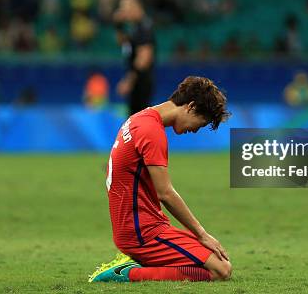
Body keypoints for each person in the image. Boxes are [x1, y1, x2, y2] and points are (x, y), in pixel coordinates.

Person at [89, 76, 232, 282]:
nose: (194, 130)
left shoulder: (140, 118)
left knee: (214, 262)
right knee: (221, 270)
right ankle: (126, 272)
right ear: (190, 107)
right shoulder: (152, 131)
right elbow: (165, 193)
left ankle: (138, 263)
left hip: (142, 226)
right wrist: (202, 234)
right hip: (143, 233)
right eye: (199, 124)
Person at [113, 0, 155, 116]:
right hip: (137, 83)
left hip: (141, 83)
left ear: (136, 7)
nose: (123, 12)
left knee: (138, 121)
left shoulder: (144, 26)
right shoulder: (134, 27)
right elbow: (123, 44)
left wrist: (129, 80)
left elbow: (145, 57)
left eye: (125, 8)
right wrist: (118, 26)